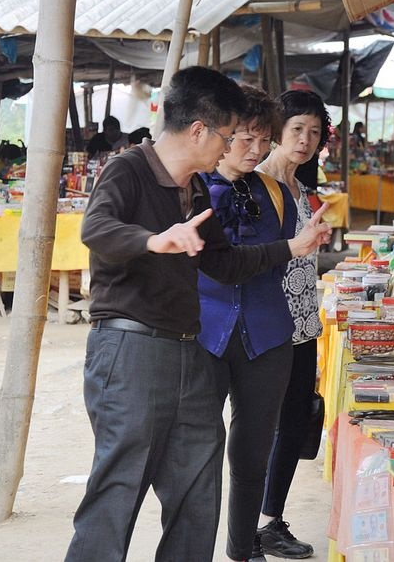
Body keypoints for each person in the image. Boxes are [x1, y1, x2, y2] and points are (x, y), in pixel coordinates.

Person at [66, 66, 331, 562]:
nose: (239, 148)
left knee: (197, 487)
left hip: (189, 348)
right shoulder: (129, 169)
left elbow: (226, 263)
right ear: (199, 131)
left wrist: (293, 247)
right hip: (131, 346)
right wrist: (152, 240)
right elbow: (97, 228)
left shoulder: (194, 189)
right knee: (120, 484)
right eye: (232, 137)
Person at [196, 85, 298, 561]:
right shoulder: (190, 188)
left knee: (253, 453)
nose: (255, 150)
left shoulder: (277, 194)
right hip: (201, 335)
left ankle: (242, 551)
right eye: (243, 138)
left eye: (263, 141)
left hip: (268, 334)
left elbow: (279, 264)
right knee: (196, 453)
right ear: (221, 134)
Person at [254, 90, 331, 560]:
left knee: (294, 421)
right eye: (298, 128)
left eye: (315, 132)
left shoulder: (302, 188)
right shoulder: (257, 185)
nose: (305, 140)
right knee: (263, 427)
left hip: (304, 324)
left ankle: (269, 520)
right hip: (268, 324)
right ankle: (250, 527)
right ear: (278, 129)